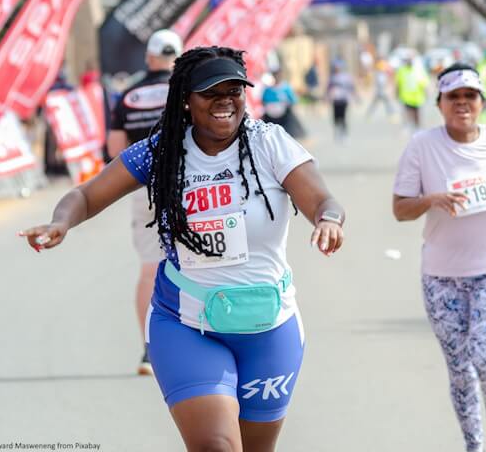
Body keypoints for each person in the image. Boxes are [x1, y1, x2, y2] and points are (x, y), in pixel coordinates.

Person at [20, 46, 345, 452]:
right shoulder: (162, 151)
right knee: (216, 446)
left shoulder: (270, 143)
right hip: (187, 325)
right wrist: (60, 221)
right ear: (187, 101)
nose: (226, 100)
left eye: (235, 90)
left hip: (269, 324)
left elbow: (322, 201)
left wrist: (328, 220)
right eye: (212, 92)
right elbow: (86, 196)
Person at [392, 63, 486, 452]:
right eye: (453, 97)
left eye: (469, 96)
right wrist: (431, 199)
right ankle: (474, 443)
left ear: (482, 102)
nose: (462, 104)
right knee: (460, 368)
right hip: (442, 276)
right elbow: (400, 209)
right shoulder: (422, 146)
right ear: (439, 103)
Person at [107, 29, 183, 375]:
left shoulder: (128, 96)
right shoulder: (187, 89)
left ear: (149, 58)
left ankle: (150, 352)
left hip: (143, 186)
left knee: (151, 269)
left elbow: (114, 151)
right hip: (189, 183)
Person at [261, 68, 306, 140]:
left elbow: (293, 100)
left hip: (284, 114)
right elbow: (264, 100)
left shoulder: (286, 88)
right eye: (275, 75)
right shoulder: (268, 89)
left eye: (279, 75)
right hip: (271, 115)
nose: (277, 77)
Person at [395, 54, 430, 130]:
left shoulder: (419, 70)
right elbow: (398, 83)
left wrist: (426, 93)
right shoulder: (402, 70)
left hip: (417, 97)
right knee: (408, 114)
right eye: (408, 60)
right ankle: (408, 127)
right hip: (406, 97)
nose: (409, 62)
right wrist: (396, 93)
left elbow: (424, 84)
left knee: (417, 115)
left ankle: (418, 129)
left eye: (411, 60)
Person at [326, 61, 355, 142]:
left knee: (343, 117)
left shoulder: (346, 77)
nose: (337, 69)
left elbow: (351, 87)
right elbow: (328, 88)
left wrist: (354, 96)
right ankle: (337, 134)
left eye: (338, 67)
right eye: (336, 67)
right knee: (336, 118)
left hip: (344, 99)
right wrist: (327, 97)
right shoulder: (332, 77)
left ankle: (344, 134)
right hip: (335, 100)